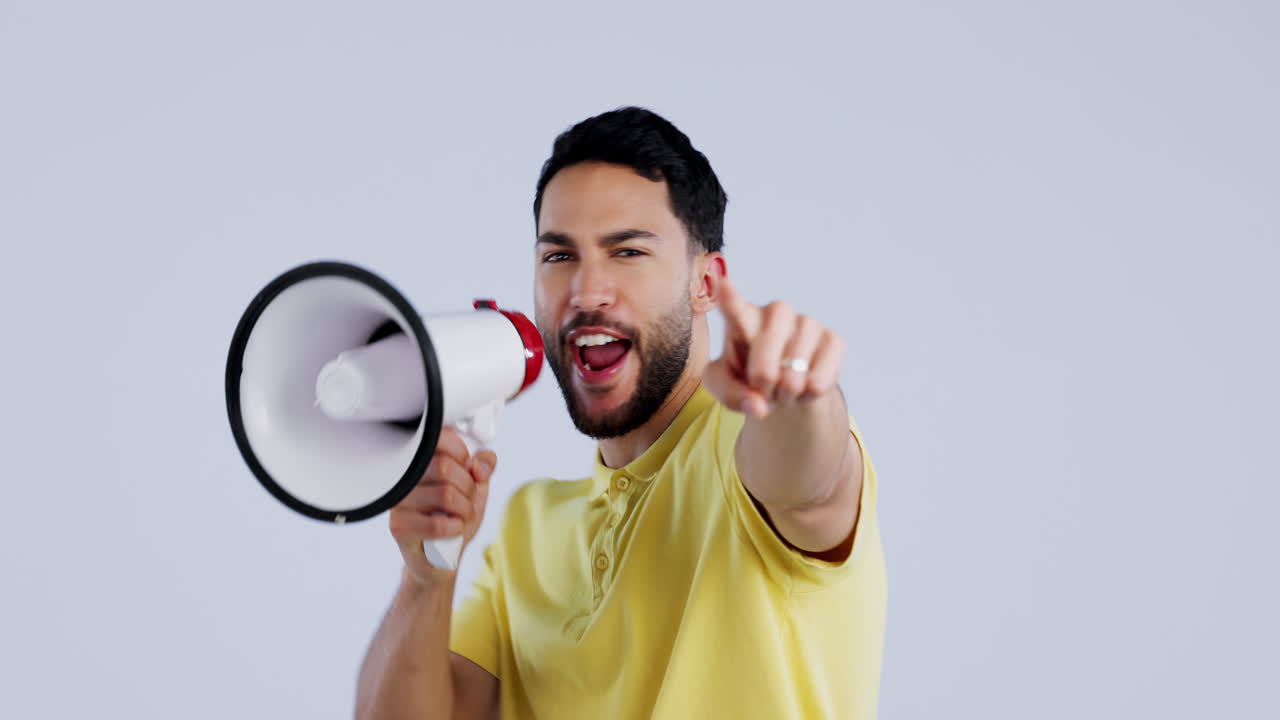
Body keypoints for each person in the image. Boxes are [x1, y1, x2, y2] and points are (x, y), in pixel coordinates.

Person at [355, 107, 887, 719]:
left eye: (627, 252)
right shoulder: (530, 528)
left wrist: (795, 393)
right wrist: (426, 579)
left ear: (706, 284)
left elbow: (807, 480)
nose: (586, 292)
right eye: (559, 257)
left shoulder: (744, 451)